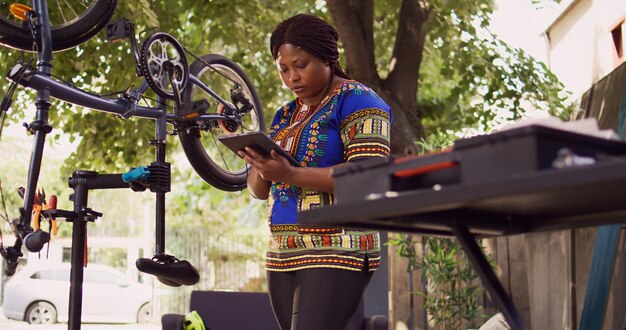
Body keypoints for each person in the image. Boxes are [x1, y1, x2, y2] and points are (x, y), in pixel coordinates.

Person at [239, 13, 392, 330]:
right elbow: (258, 190)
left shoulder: (358, 100)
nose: (291, 76)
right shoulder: (285, 115)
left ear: (328, 58)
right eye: (283, 68)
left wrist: (290, 175)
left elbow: (368, 177)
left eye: (301, 64)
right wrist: (258, 163)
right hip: (282, 253)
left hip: (338, 247)